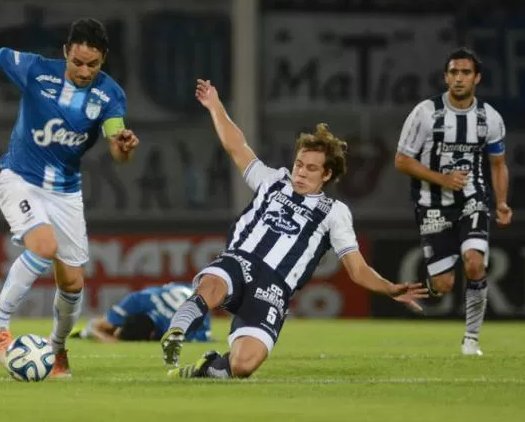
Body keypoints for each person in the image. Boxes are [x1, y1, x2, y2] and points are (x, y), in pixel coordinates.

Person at [163, 79, 427, 380]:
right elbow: (237, 146)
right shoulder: (272, 180)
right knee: (213, 283)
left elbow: (357, 269)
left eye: (311, 168)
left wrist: (389, 288)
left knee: (243, 365)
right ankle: (178, 329)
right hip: (240, 261)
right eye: (299, 164)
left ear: (326, 174)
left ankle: (208, 366)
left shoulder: (334, 213)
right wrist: (215, 105)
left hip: (274, 287)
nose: (301, 172)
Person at [0, 18, 139, 378]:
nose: (83, 71)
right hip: (20, 180)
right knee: (43, 247)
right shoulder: (37, 71)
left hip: (66, 193)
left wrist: (124, 147)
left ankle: (58, 349)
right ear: (65, 53)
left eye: (92, 64)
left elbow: (116, 147)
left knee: (73, 284)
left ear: (103, 59)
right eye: (77, 62)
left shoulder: (110, 95)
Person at [394, 48, 511, 356]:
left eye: (466, 73)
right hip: (432, 204)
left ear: (477, 78)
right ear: (445, 77)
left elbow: (498, 164)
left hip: (474, 199)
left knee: (474, 263)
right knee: (444, 285)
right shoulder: (424, 113)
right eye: (454, 73)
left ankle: (471, 340)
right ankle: (431, 286)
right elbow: (402, 160)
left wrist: (501, 203)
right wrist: (442, 179)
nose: (459, 78)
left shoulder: (490, 118)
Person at [71, 282, 213, 343]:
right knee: (107, 324)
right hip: (183, 291)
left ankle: (83, 333)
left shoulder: (177, 328)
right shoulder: (137, 301)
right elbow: (205, 336)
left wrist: (101, 336)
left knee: (106, 326)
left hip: (188, 293)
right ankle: (83, 332)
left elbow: (95, 326)